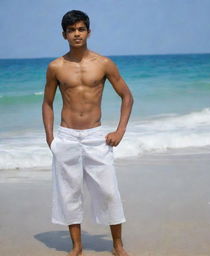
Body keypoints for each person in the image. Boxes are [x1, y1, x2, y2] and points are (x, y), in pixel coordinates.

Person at [42, 10, 133, 256]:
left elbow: (127, 96)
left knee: (108, 191)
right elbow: (48, 103)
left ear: (88, 32)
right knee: (69, 192)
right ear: (64, 35)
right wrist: (50, 137)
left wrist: (120, 130)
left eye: (81, 29)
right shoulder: (55, 67)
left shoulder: (103, 63)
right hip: (67, 136)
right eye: (71, 30)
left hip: (96, 136)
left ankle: (117, 245)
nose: (77, 34)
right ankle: (77, 246)